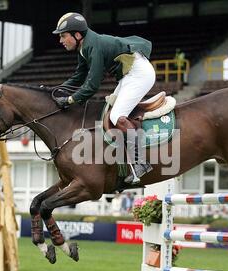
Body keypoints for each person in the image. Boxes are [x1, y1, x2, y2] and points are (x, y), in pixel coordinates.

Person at [52, 12, 156, 183]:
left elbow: (92, 86)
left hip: (139, 74)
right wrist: (57, 90)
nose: (61, 40)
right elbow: (79, 76)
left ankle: (141, 163)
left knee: (117, 117)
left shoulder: (93, 46)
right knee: (109, 113)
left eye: (63, 36)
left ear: (77, 35)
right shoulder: (85, 46)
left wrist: (70, 100)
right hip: (129, 74)